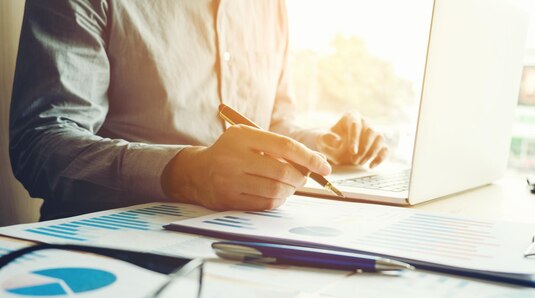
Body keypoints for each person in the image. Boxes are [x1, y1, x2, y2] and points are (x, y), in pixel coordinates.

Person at [10, 0, 388, 220]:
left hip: (241, 241)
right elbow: (40, 145)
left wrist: (322, 144)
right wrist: (186, 175)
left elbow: (273, 122)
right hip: (113, 253)